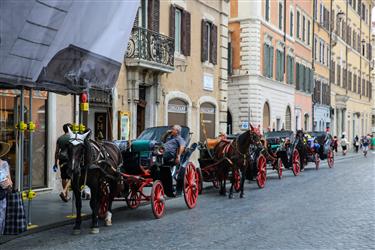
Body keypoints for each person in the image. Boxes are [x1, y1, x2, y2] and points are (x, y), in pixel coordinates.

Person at [160, 125, 186, 197]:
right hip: (162, 152)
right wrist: (166, 133)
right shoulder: (169, 137)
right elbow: (162, 140)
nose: (171, 130)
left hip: (170, 155)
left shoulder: (179, 139)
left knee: (160, 156)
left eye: (173, 129)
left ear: (177, 131)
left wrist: (179, 156)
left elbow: (182, 146)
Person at [54, 123, 72, 202]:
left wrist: (55, 163)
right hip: (70, 159)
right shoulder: (72, 138)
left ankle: (66, 195)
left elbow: (56, 152)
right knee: (72, 177)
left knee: (64, 177)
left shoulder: (60, 138)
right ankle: (64, 191)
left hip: (61, 159)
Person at [0, 141, 12, 235]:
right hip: (1, 194)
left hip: (1, 193)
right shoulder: (4, 164)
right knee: (1, 215)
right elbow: (9, 182)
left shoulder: (4, 164)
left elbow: (9, 182)